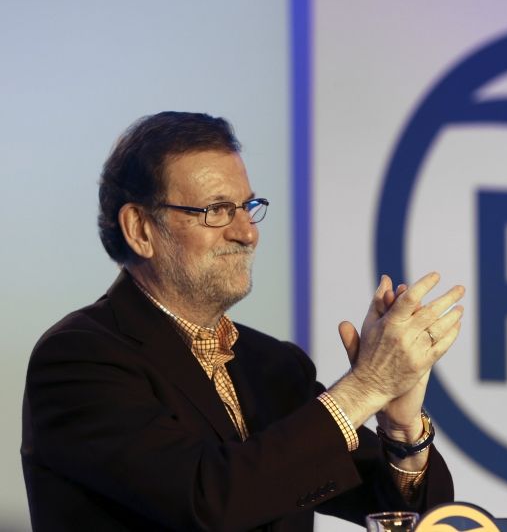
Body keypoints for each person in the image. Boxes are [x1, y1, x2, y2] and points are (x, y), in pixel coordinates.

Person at [21, 111, 465, 531]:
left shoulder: (274, 366)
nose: (247, 232)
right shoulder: (79, 361)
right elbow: (208, 500)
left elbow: (412, 514)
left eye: (247, 206)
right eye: (216, 210)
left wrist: (401, 430)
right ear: (140, 229)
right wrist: (366, 386)